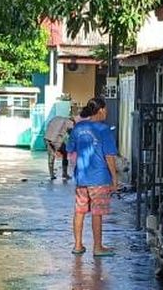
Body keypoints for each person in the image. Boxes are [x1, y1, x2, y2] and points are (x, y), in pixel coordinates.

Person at [66, 97, 119, 257]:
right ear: (101, 110)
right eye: (106, 109)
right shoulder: (104, 130)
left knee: (79, 211)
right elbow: (109, 157)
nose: (106, 112)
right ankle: (97, 247)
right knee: (97, 212)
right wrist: (115, 179)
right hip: (99, 178)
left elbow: (69, 148)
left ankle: (77, 245)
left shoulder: (79, 128)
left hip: (81, 177)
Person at [42, 113, 75, 181]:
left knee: (51, 156)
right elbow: (71, 134)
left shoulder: (57, 118)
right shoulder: (70, 122)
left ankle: (51, 175)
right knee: (65, 153)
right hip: (56, 140)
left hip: (46, 138)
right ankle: (64, 173)